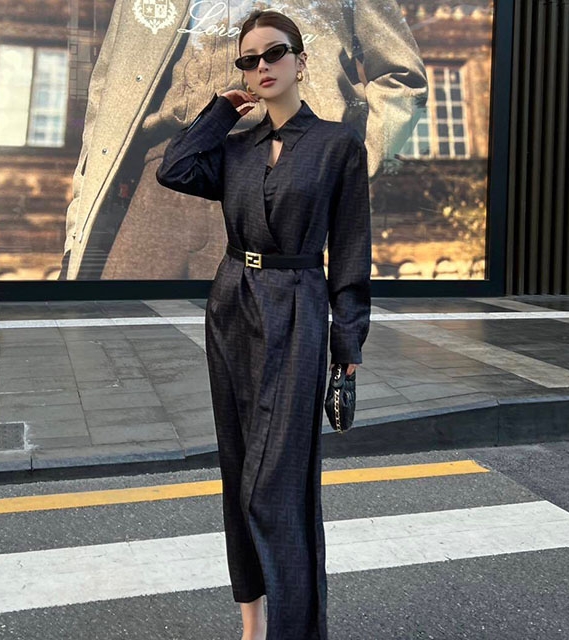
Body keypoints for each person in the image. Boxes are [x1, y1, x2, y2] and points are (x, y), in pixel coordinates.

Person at [156, 9, 371, 640]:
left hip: (297, 305)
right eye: (248, 60)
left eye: (273, 54)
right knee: (237, 466)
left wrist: (347, 340)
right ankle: (254, 625)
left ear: (300, 61)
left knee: (273, 482)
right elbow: (174, 168)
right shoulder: (235, 148)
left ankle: (294, 630)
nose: (261, 67)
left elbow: (351, 249)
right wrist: (222, 110)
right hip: (231, 303)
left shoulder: (337, 145)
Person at [59, 0, 427, 280]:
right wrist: (77, 233)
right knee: (121, 342)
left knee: (260, 342)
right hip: (161, 177)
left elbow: (401, 76)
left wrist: (345, 169)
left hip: (278, 169)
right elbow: (104, 105)